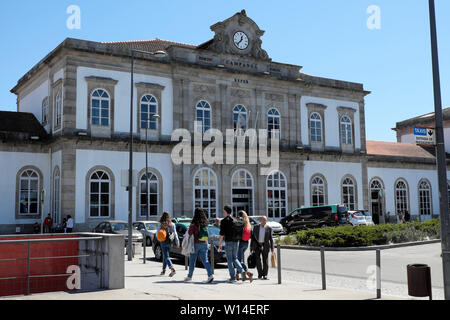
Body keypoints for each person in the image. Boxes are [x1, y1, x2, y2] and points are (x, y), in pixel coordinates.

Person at [185, 208, 214, 283]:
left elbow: (190, 233)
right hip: (204, 243)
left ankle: (189, 276)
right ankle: (210, 275)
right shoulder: (205, 223)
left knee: (192, 261)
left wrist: (189, 228)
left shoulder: (194, 224)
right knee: (205, 260)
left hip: (195, 244)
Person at [219, 205, 245, 283]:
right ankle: (242, 270)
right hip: (236, 242)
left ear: (225, 211)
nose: (223, 212)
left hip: (228, 242)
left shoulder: (224, 221)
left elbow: (221, 234)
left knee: (229, 260)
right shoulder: (236, 220)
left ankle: (232, 278)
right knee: (235, 258)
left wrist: (220, 244)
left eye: (224, 211)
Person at [250, 216, 274, 280]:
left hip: (265, 245)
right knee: (258, 260)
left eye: (265, 220)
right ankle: (260, 274)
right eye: (263, 220)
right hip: (257, 245)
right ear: (260, 220)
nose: (264, 222)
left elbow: (271, 239)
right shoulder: (256, 227)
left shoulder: (269, 228)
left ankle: (265, 274)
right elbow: (253, 238)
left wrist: (272, 248)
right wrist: (251, 247)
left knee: (265, 261)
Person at [159, 211, 179, 277]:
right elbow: (175, 234)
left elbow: (157, 232)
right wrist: (177, 242)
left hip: (163, 241)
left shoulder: (161, 224)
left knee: (166, 256)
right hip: (170, 241)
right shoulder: (172, 224)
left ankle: (172, 269)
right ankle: (163, 270)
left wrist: (157, 238)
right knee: (165, 256)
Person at [237, 210, 254, 282]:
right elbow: (251, 235)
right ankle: (237, 274)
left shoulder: (241, 223)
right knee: (239, 259)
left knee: (238, 261)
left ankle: (247, 272)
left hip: (241, 243)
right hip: (246, 243)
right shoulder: (248, 223)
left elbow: (239, 233)